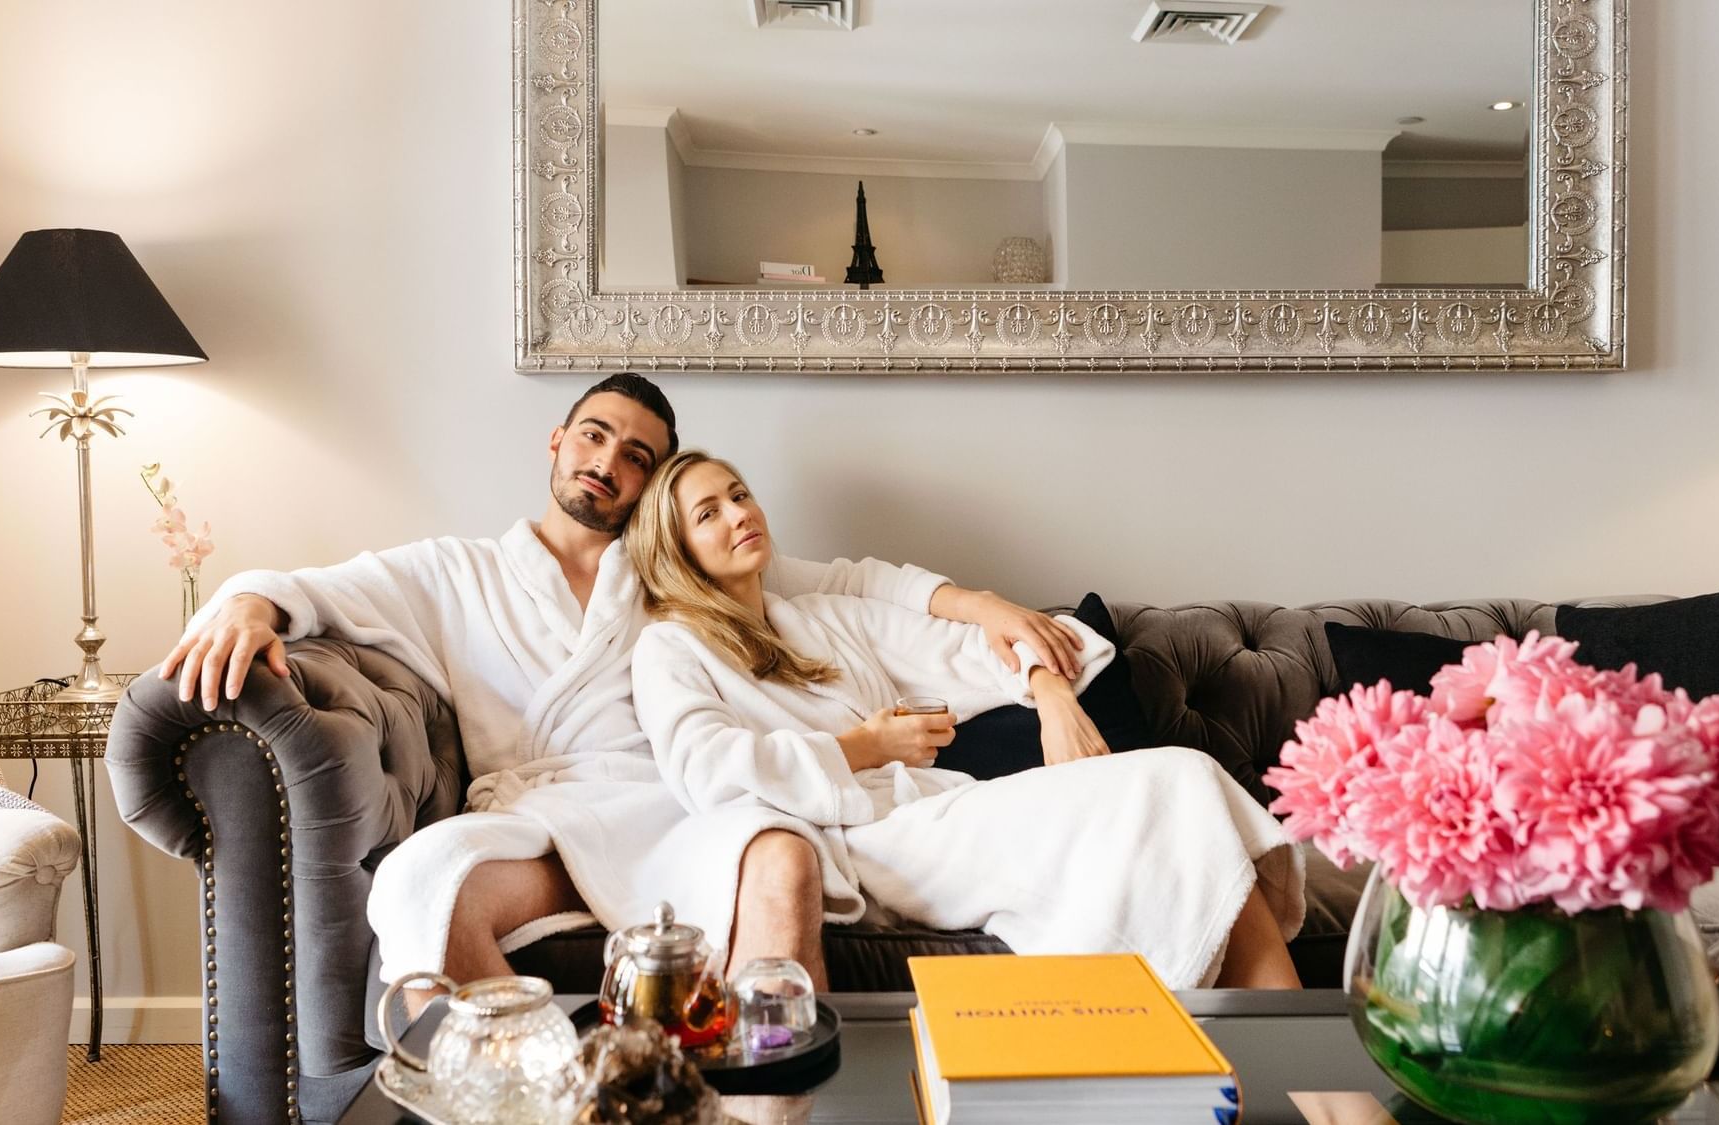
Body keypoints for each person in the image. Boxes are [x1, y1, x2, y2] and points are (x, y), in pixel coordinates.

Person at [157, 374, 1086, 1001]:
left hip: (676, 806)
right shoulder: (458, 572)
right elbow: (322, 586)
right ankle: (543, 1090)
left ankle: (766, 1096)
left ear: (650, 487)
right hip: (544, 817)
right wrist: (246, 606)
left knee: (783, 860)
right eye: (596, 435)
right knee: (424, 883)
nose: (608, 461)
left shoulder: (674, 572)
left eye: (637, 456)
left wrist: (983, 604)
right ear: (558, 440)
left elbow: (851, 580)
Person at [626, 451, 1305, 989]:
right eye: (709, 513)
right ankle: (1318, 1094)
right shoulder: (670, 647)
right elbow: (708, 770)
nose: (739, 514)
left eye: (740, 494)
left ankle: (1295, 1077)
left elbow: (980, 645)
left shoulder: (822, 617)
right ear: (677, 549)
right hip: (864, 841)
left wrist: (1050, 692)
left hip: (936, 812)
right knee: (1172, 783)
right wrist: (863, 746)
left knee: (1182, 779)